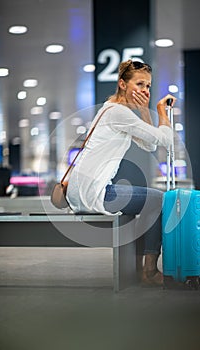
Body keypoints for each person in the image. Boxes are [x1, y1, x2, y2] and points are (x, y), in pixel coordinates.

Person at [66, 59, 176, 286]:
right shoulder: (118, 113)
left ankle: (139, 268)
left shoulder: (112, 109)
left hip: (82, 190)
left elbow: (150, 146)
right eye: (139, 84)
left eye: (147, 86)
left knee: (149, 200)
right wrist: (161, 112)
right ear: (122, 84)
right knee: (156, 199)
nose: (144, 90)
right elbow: (165, 140)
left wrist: (145, 111)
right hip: (94, 192)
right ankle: (149, 271)